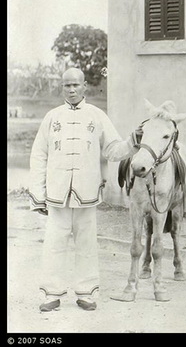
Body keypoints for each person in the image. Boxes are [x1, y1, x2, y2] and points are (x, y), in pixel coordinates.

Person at [28, 67, 141, 312]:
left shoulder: (96, 116)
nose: (71, 89)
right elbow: (39, 155)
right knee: (54, 243)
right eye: (67, 85)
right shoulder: (52, 117)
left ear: (85, 86)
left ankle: (87, 293)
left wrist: (132, 143)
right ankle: (51, 293)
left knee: (87, 244)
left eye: (76, 85)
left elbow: (113, 149)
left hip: (87, 192)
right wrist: (38, 194)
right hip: (57, 193)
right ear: (62, 87)